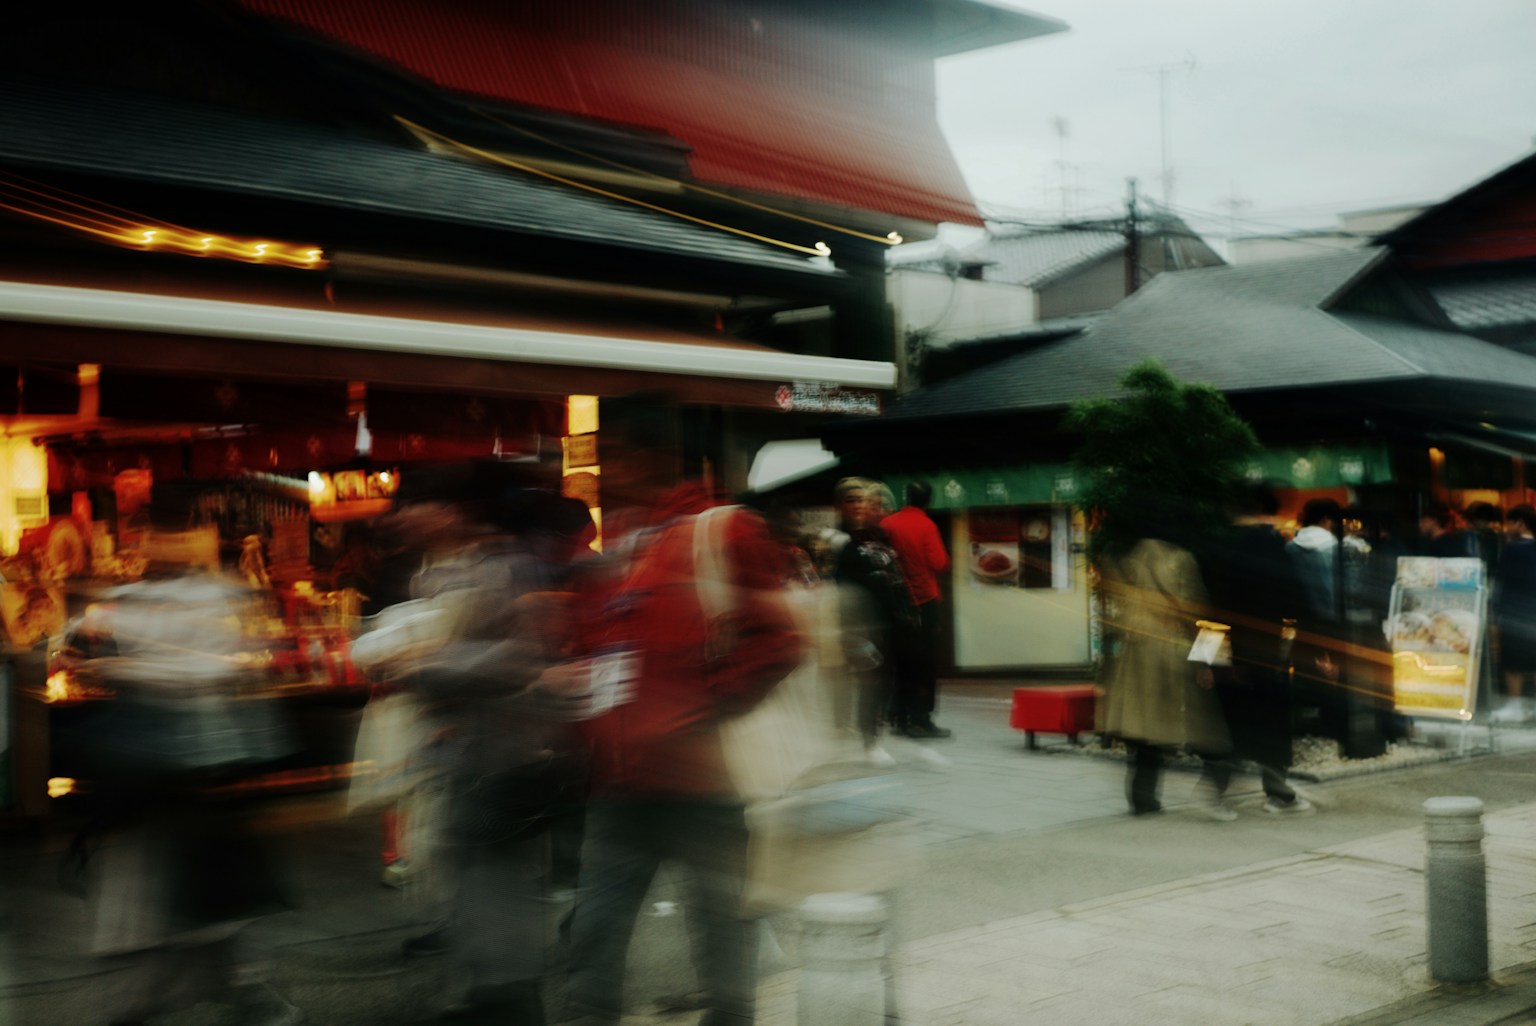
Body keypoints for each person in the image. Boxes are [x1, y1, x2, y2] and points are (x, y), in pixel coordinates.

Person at [561, 399, 801, 1026]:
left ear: (640, 458)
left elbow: (780, 639)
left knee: (722, 931)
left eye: (603, 458)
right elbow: (605, 653)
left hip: (706, 782)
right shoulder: (615, 549)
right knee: (594, 930)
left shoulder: (723, 531)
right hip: (619, 785)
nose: (595, 474)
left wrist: (709, 706)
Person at [350, 463, 590, 1024]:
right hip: (462, 755)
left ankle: (510, 1001)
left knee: (501, 883)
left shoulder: (505, 567)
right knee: (466, 880)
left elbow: (521, 658)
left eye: (417, 503)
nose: (404, 516)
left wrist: (424, 662)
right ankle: (484, 993)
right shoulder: (439, 572)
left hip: (508, 757)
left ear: (453, 511)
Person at [1097, 522, 1230, 817]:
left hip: (1134, 652)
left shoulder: (1125, 556)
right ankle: (1213, 786)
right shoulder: (1179, 559)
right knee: (1200, 724)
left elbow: (1113, 608)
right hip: (1168, 653)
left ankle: (1142, 798)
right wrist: (1207, 660)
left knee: (1145, 728)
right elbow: (1196, 612)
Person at [1201, 487, 1313, 817]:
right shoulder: (1270, 546)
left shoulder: (1216, 547)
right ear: (1262, 511)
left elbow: (1208, 606)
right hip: (1263, 647)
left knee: (1231, 720)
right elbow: (1295, 599)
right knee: (1271, 720)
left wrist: (1204, 659)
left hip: (1224, 647)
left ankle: (1217, 792)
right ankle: (1277, 793)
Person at [832, 477, 922, 757]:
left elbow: (896, 578)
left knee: (883, 681)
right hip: (863, 626)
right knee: (870, 681)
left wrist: (908, 609)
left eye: (878, 504)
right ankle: (869, 741)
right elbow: (844, 590)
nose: (875, 509)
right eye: (866, 503)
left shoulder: (881, 540)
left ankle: (874, 735)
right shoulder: (844, 542)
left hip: (890, 623)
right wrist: (852, 633)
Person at [880, 480, 953, 739]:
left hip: (895, 602)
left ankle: (898, 715)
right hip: (923, 601)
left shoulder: (887, 524)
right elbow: (939, 562)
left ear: (906, 496)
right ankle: (921, 718)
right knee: (924, 663)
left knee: (901, 661)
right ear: (929, 500)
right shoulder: (926, 525)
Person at [1492, 504, 1536, 723]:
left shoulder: (1512, 548)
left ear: (1520, 523)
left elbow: (1501, 583)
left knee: (1512, 663)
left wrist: (1496, 612)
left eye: (1510, 522)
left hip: (1515, 612)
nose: (1507, 527)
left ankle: (1515, 706)